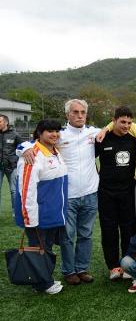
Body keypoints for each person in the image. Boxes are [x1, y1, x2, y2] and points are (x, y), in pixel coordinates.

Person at [20, 99, 100, 285]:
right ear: (67, 114)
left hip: (90, 193)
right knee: (67, 237)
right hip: (68, 196)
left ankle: (82, 268)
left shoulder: (93, 132)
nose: (79, 115)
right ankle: (69, 271)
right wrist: (22, 149)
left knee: (86, 235)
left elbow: (117, 126)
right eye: (75, 112)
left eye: (82, 112)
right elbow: (29, 144)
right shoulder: (59, 135)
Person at [14, 119, 67, 294]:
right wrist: (30, 218)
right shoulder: (32, 154)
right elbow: (26, 190)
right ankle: (42, 284)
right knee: (39, 248)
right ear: (39, 132)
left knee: (47, 247)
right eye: (49, 131)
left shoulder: (54, 150)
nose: (54, 134)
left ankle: (45, 279)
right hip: (39, 214)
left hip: (52, 212)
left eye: (57, 131)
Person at [95, 106, 136, 280]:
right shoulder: (102, 138)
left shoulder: (134, 140)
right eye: (122, 122)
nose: (126, 125)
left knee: (128, 230)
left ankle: (127, 265)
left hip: (128, 192)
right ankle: (113, 266)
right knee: (109, 230)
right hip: (106, 193)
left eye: (129, 122)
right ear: (114, 121)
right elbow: (86, 157)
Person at [0, 114, 23, 216]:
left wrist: (15, 160)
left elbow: (22, 149)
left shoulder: (15, 135)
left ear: (6, 122)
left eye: (0, 121)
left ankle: (15, 212)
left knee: (14, 190)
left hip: (12, 167)